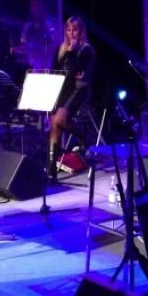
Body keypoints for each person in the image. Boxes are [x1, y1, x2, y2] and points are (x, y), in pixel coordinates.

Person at [47, 16, 96, 179]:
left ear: (81, 31)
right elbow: (56, 70)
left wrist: (72, 52)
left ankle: (83, 136)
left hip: (78, 90)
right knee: (54, 125)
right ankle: (51, 170)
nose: (72, 33)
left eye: (75, 30)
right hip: (62, 89)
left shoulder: (86, 50)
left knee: (60, 120)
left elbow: (76, 72)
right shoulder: (60, 49)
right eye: (68, 30)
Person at [19, 0, 61, 72]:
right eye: (33, 6)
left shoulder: (52, 23)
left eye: (38, 6)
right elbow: (23, 42)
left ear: (44, 7)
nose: (35, 9)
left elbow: (56, 42)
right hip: (32, 64)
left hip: (49, 64)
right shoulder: (28, 25)